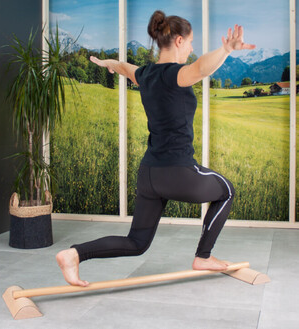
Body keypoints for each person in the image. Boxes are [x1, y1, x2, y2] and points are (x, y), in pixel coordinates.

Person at [56, 10, 255, 286]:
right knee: (228, 190)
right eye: (191, 42)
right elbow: (202, 69)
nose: (192, 48)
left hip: (149, 174)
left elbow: (128, 70)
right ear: (178, 41)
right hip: (178, 172)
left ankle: (73, 254)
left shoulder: (146, 74)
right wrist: (226, 49)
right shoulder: (177, 75)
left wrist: (112, 62)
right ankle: (203, 256)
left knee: (136, 242)